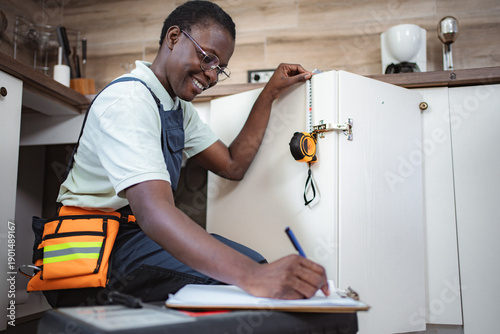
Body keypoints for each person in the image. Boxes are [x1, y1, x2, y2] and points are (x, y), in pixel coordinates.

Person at [45, 0, 329, 307]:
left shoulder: (177, 106)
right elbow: (154, 213)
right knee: (247, 278)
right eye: (207, 58)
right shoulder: (128, 101)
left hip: (133, 235)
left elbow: (232, 165)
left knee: (255, 266)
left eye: (219, 68)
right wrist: (252, 276)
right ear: (173, 38)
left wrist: (270, 92)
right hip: (96, 248)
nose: (212, 76)